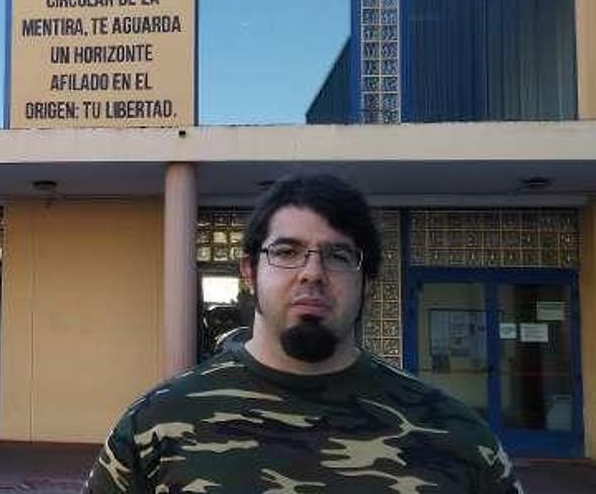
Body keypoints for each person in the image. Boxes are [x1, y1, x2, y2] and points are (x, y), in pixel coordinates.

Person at [84, 173, 521, 493]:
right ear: (250, 271)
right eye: (287, 251)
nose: (312, 273)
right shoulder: (155, 427)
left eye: (337, 255)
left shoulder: (456, 436)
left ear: (366, 279)